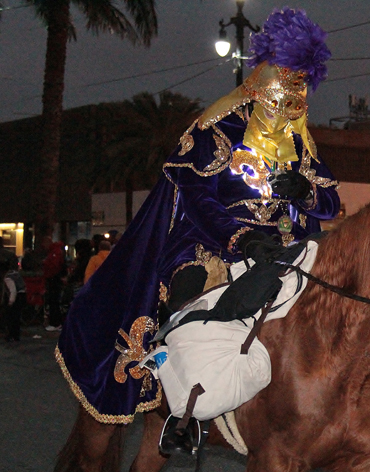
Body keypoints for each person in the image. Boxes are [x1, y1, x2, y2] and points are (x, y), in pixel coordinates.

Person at [55, 7, 339, 426]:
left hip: (282, 246)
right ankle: (180, 402)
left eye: (295, 101)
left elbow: (330, 203)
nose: (285, 112)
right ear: (261, 84)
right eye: (280, 98)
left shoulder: (301, 146)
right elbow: (197, 197)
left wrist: (306, 191)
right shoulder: (218, 130)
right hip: (211, 243)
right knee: (189, 296)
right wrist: (240, 237)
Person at [41, 235, 66, 332]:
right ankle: (56, 322)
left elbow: (54, 266)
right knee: (54, 301)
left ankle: (55, 323)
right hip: (54, 278)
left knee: (53, 300)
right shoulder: (55, 252)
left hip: (53, 279)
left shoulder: (54, 253)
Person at [1, 257, 26, 342]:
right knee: (17, 317)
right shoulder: (15, 273)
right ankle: (16, 335)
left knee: (11, 317)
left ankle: (10, 334)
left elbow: (13, 290)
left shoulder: (8, 278)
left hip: (16, 297)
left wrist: (10, 302)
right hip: (22, 295)